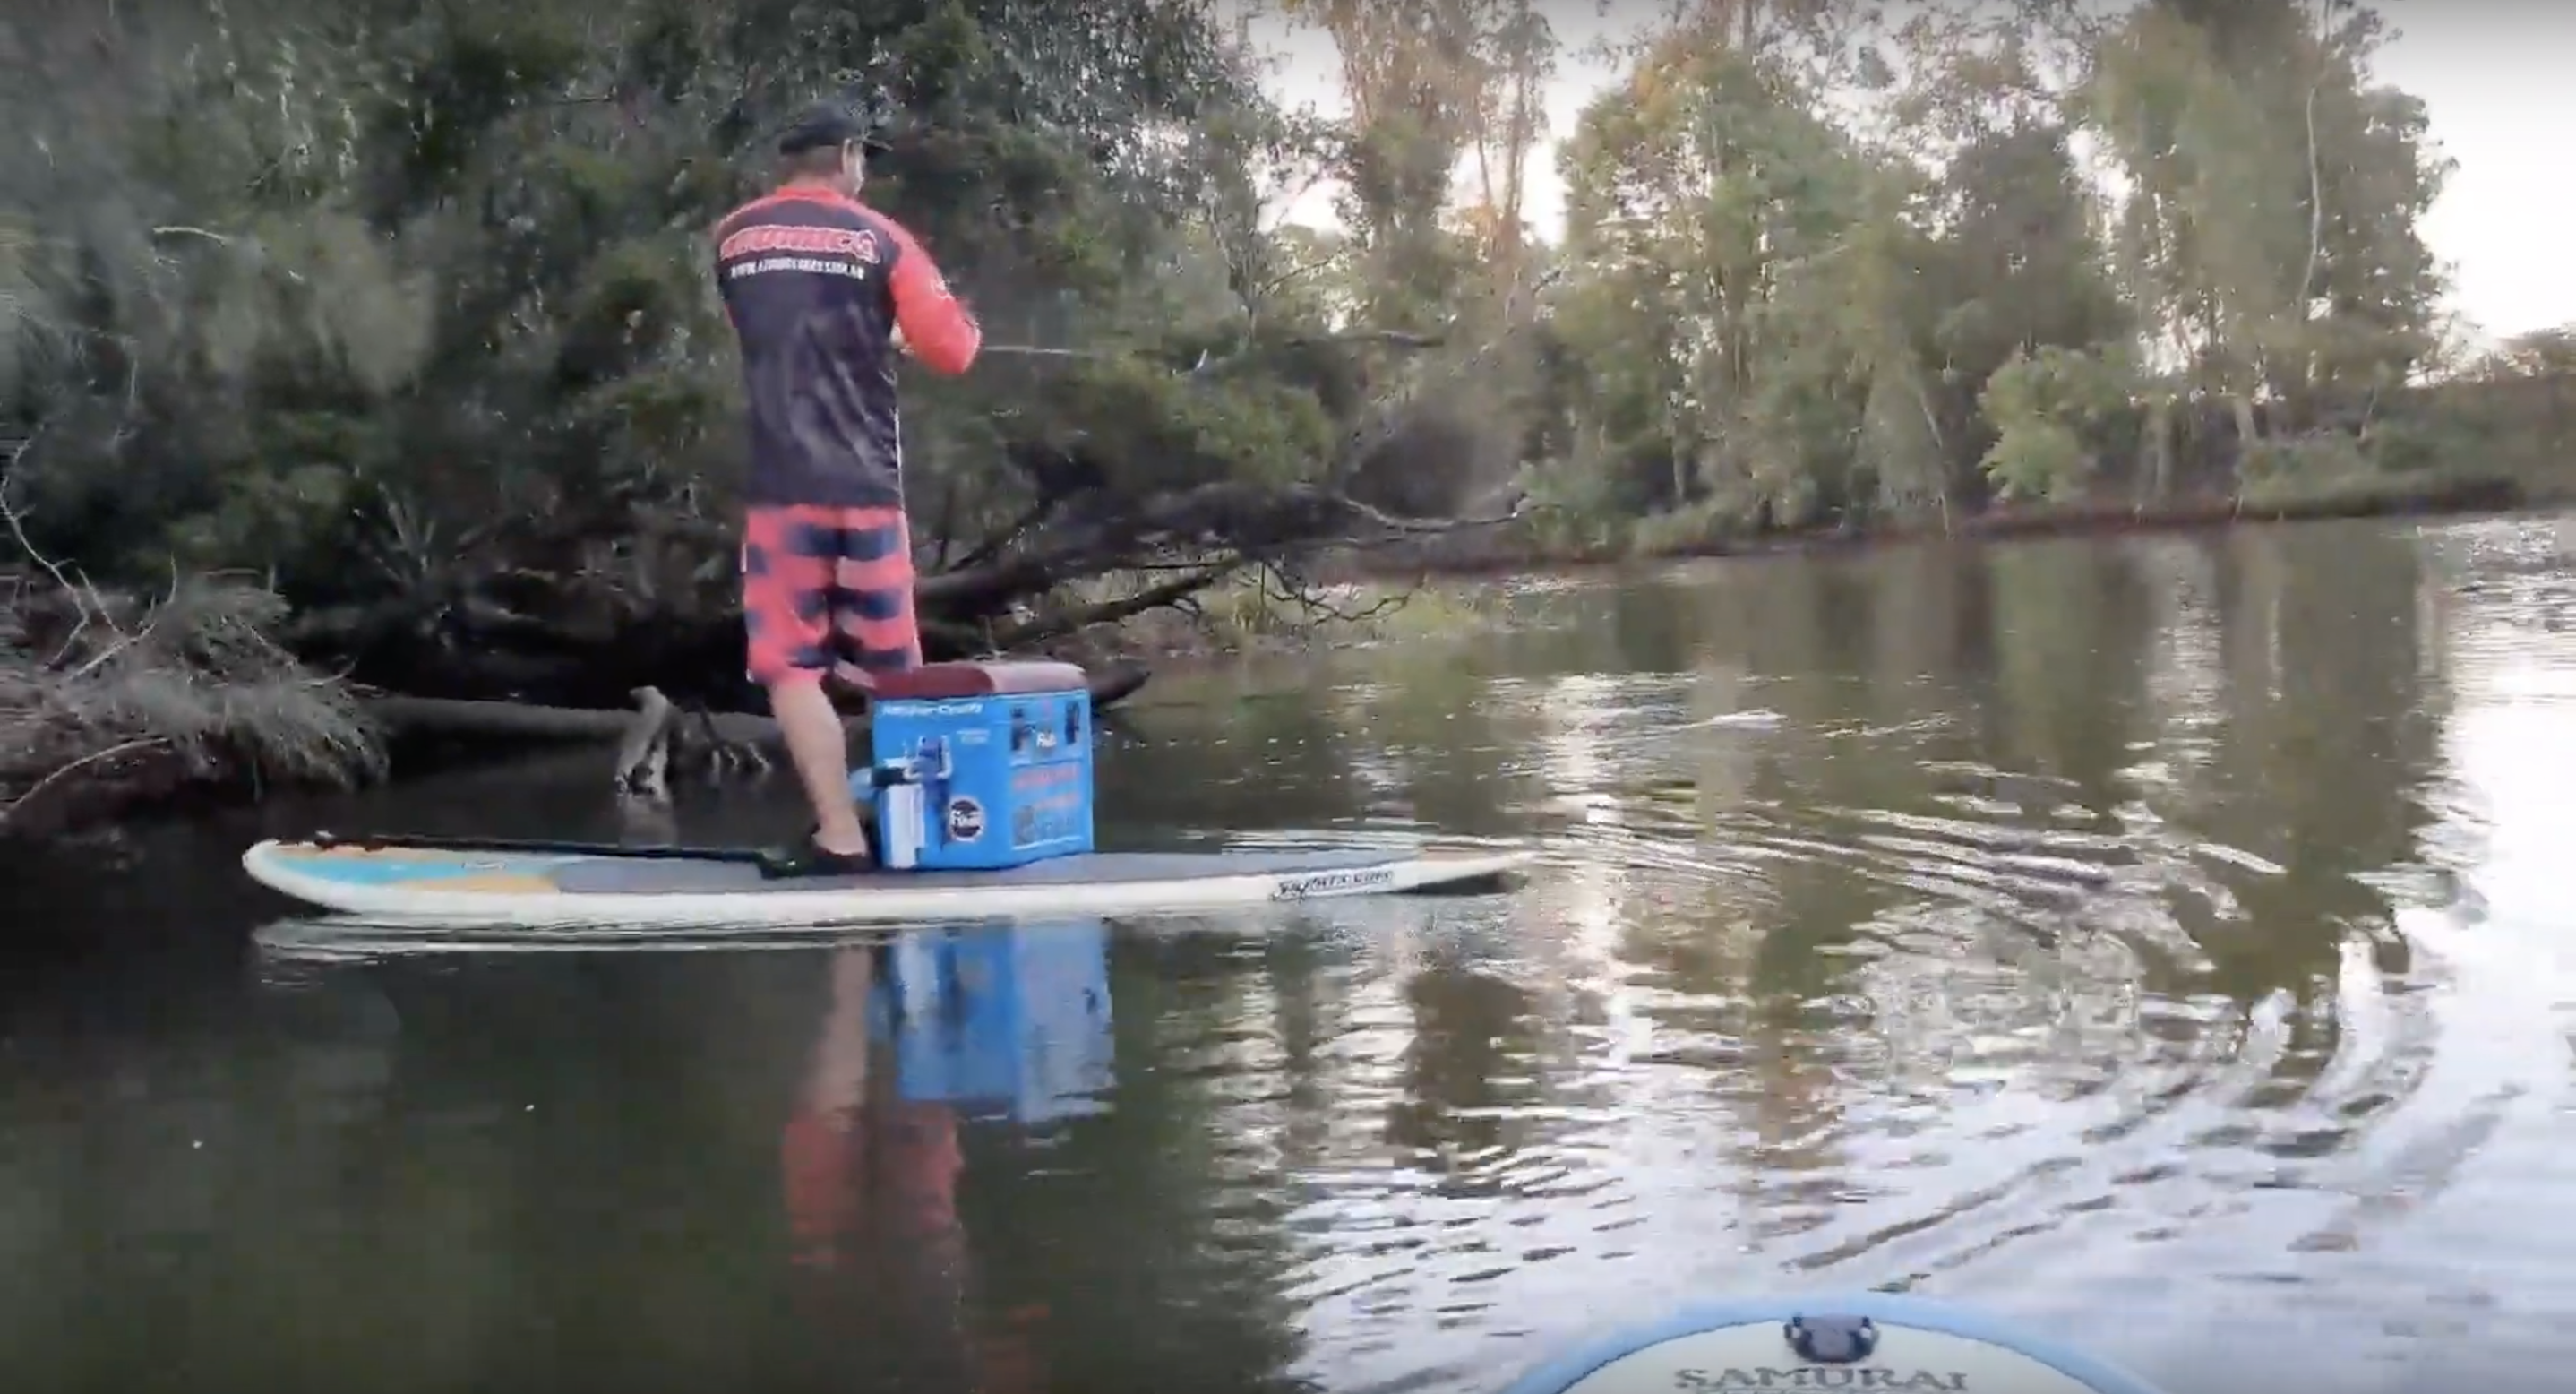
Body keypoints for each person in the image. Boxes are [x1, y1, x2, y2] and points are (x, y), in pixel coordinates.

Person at [711, 101, 982, 877]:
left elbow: (767, 327)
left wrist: (867, 329)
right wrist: (918, 329)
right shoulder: (882, 239)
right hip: (866, 486)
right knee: (896, 669)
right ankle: (926, 834)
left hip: (780, 489)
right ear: (850, 156)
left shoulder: (732, 237)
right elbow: (955, 350)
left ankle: (840, 838)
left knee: (790, 667)